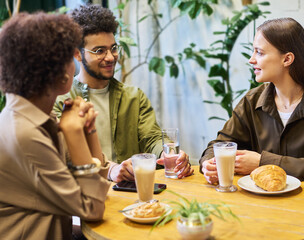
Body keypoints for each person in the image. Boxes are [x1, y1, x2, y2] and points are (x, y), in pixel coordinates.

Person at [200, 18, 304, 188]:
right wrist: (208, 164)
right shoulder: (251, 101)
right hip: (260, 204)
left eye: (260, 53)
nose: (251, 59)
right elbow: (219, 145)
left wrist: (263, 162)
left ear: (287, 59)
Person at [0, 12, 110, 239]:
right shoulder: (25, 134)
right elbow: (92, 208)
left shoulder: (34, 118)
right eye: (71, 58)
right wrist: (72, 131)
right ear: (59, 74)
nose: (74, 66)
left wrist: (88, 129)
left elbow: (97, 183)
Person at [53, 4, 193, 182]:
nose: (111, 57)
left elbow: (152, 139)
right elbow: (64, 156)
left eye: (113, 48)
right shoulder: (61, 101)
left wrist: (172, 154)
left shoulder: (134, 97)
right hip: (83, 195)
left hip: (132, 192)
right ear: (77, 54)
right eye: (99, 51)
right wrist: (112, 170)